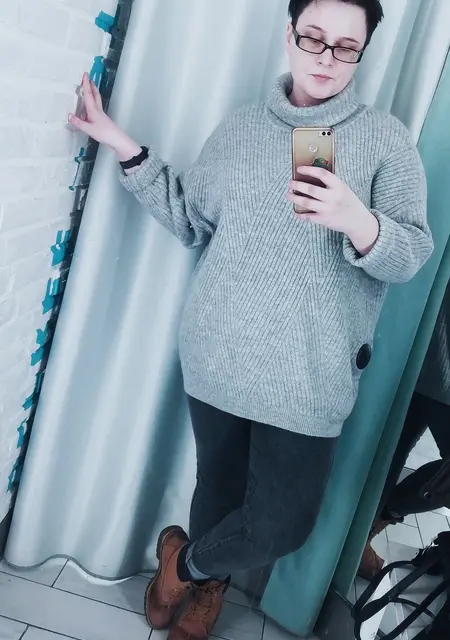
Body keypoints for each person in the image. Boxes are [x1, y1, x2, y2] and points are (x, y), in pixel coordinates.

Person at [69, 0, 433, 638]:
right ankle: (207, 588)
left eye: (345, 46)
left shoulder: (386, 141)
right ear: (289, 34)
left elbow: (410, 256)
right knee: (217, 488)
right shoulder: (240, 128)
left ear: (363, 53)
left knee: (280, 525)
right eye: (313, 37)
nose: (326, 58)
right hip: (219, 353)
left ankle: (183, 565)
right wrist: (120, 143)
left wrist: (357, 219)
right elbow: (189, 216)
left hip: (309, 374)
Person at [359, 283, 450, 581]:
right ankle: (363, 530)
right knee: (383, 452)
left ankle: (366, 528)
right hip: (424, 335)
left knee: (386, 451)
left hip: (424, 339)